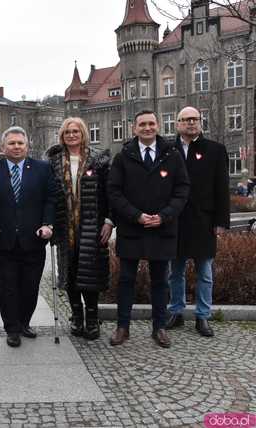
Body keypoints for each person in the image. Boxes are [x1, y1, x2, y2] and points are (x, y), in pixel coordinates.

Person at [108, 110, 189, 349]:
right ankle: (123, 327)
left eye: (151, 124)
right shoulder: (123, 156)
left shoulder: (172, 155)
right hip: (132, 228)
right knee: (126, 280)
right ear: (134, 128)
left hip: (162, 229)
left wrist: (164, 216)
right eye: (142, 124)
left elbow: (182, 190)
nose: (147, 128)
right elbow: (113, 191)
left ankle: (159, 328)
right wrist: (136, 215)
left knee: (160, 281)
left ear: (158, 126)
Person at [0, 126, 55, 347]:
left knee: (31, 285)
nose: (16, 147)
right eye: (11, 143)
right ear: (3, 147)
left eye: (20, 143)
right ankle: (11, 328)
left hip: (34, 238)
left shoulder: (42, 169)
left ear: (27, 146)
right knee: (8, 286)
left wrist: (48, 225)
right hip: (3, 239)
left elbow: (50, 200)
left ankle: (24, 322)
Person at [166, 106, 230, 337]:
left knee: (205, 271)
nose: (191, 123)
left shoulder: (215, 150)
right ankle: (176, 311)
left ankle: (203, 316)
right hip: (175, 221)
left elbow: (222, 188)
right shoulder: (168, 150)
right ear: (177, 123)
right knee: (175, 271)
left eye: (195, 119)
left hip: (204, 220)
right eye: (186, 119)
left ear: (200, 122)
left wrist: (221, 221)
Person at [46, 117, 112, 341]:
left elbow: (109, 194)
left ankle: (92, 318)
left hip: (91, 225)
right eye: (67, 132)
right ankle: (76, 316)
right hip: (65, 227)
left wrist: (109, 221)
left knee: (90, 273)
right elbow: (49, 196)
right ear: (62, 136)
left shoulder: (98, 159)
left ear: (83, 133)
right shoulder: (54, 161)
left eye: (75, 131)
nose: (71, 135)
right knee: (70, 273)